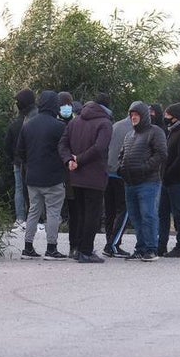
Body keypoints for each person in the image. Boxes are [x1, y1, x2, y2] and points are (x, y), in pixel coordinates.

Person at [59, 94, 112, 263]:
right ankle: (86, 251)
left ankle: (77, 248)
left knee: (79, 213)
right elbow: (99, 148)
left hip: (75, 175)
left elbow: (62, 144)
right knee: (92, 215)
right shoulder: (105, 123)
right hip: (94, 176)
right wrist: (79, 160)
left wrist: (69, 160)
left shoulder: (75, 121)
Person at [17, 91, 68, 260]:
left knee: (33, 211)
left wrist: (31, 164)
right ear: (55, 105)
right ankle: (51, 248)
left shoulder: (28, 125)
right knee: (53, 213)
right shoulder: (60, 126)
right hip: (53, 177)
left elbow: (20, 153)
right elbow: (65, 150)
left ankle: (28, 247)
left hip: (32, 177)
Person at [119, 101, 168, 261]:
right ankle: (140, 248)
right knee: (135, 217)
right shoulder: (129, 135)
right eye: (131, 115)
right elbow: (122, 154)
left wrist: (145, 168)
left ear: (144, 116)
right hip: (130, 183)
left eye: (136, 114)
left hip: (148, 182)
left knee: (148, 215)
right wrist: (122, 169)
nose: (133, 117)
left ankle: (151, 249)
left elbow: (161, 154)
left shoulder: (156, 132)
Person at [158, 103, 180, 257]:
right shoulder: (171, 132)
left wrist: (168, 173)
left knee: (179, 213)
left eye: (167, 115)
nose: (165, 118)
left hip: (179, 180)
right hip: (167, 180)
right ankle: (161, 245)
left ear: (175, 116)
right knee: (162, 213)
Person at [103, 105, 133, 258]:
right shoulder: (135, 129)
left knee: (110, 211)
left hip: (108, 173)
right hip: (121, 175)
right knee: (124, 210)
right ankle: (113, 244)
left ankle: (109, 241)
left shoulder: (116, 125)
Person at [5, 88, 36, 230]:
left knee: (19, 189)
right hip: (33, 162)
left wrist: (14, 158)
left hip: (18, 162)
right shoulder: (35, 119)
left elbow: (7, 145)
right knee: (34, 191)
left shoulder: (15, 124)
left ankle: (20, 218)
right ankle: (36, 220)